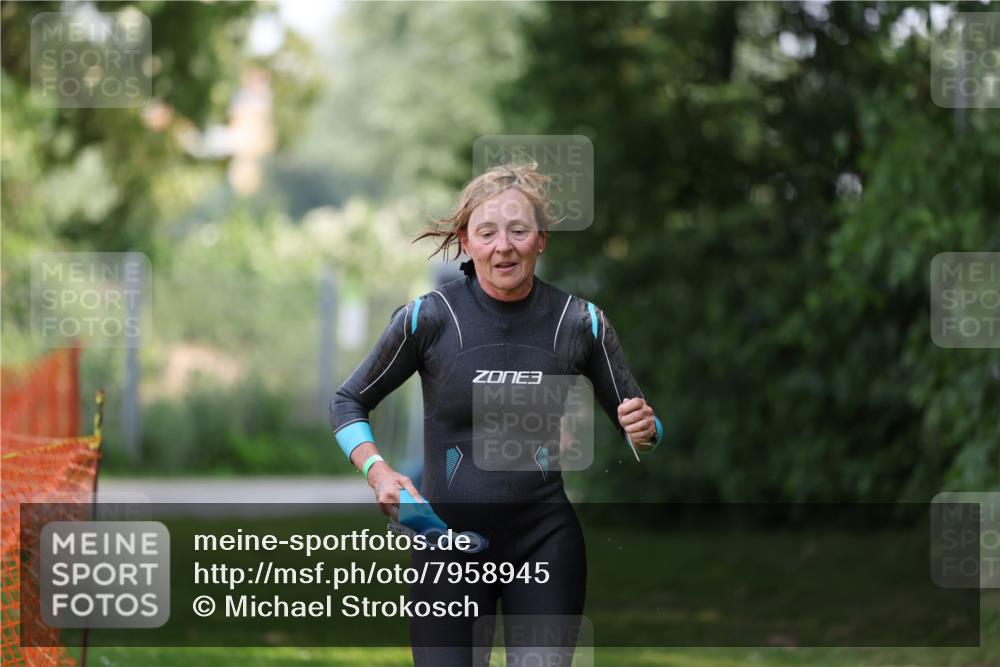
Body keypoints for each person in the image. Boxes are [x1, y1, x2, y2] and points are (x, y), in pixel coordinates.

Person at [330, 162, 663, 666]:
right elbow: (347, 401)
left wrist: (646, 431)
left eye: (518, 231)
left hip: (545, 543)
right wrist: (378, 471)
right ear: (466, 240)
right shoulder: (430, 318)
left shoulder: (580, 322)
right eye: (487, 232)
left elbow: (641, 424)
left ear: (542, 239)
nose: (503, 246)